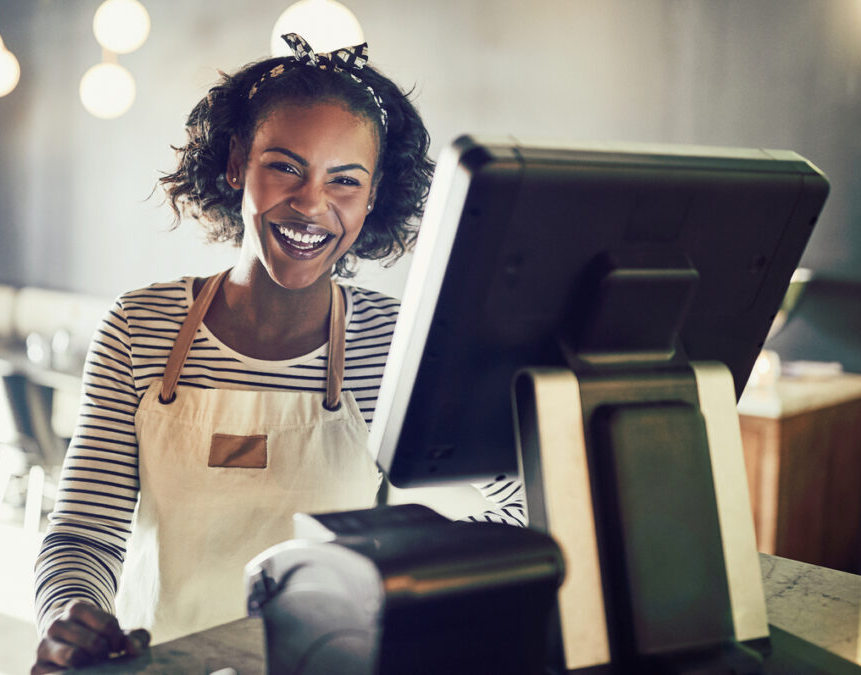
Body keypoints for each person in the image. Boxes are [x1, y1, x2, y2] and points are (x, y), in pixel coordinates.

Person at [31, 33, 522, 674]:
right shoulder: (140, 326)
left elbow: (510, 506)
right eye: (286, 166)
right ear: (238, 162)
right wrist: (70, 615)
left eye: (345, 180)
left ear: (372, 196)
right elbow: (83, 535)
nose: (313, 203)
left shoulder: (396, 343)